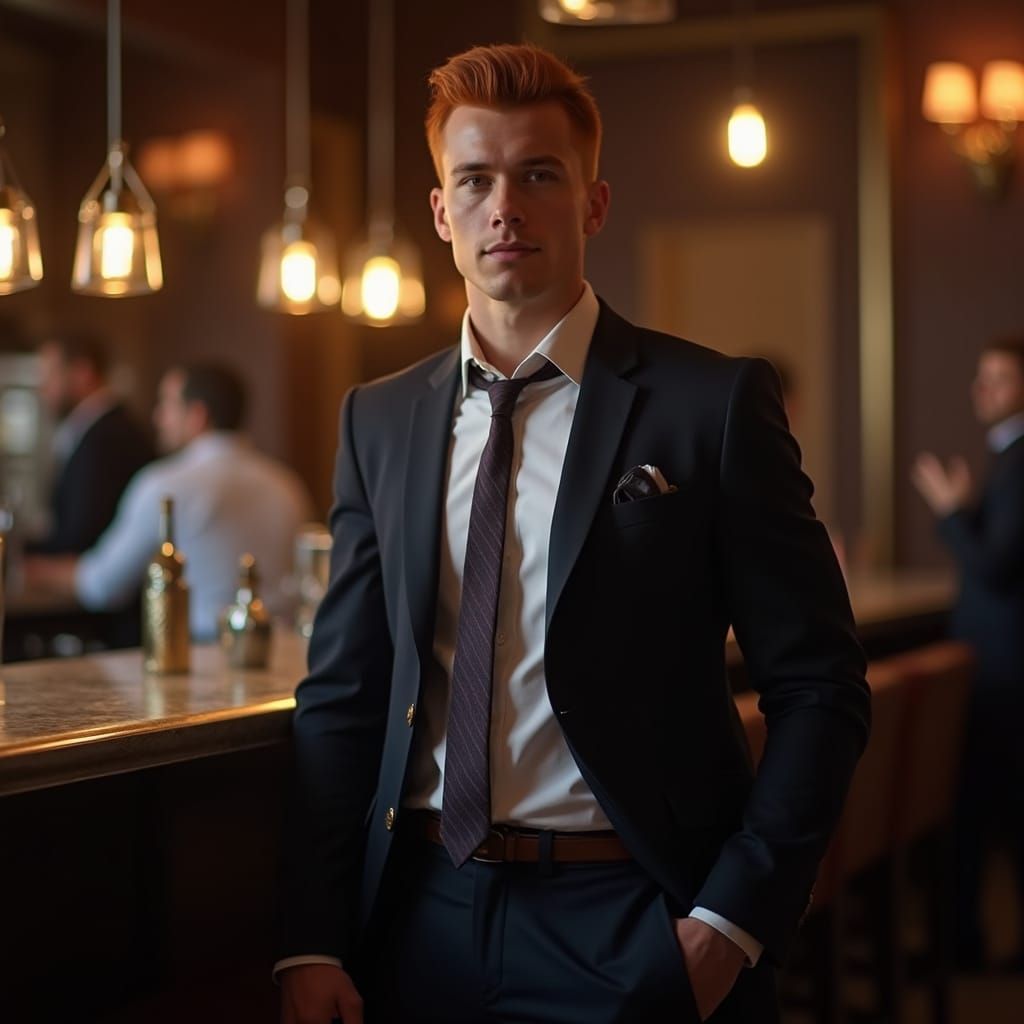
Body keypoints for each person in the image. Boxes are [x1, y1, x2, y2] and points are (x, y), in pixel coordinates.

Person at [278, 43, 870, 1024]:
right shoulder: (376, 420)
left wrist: (727, 923)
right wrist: (310, 931)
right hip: (417, 912)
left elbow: (820, 688)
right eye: (473, 180)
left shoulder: (708, 405)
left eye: (537, 174)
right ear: (441, 214)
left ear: (593, 203)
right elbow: (344, 693)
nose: (503, 206)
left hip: (631, 914)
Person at [25, 362, 312, 641]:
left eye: (167, 404)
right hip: (282, 653)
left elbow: (103, 585)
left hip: (199, 656)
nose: (158, 417)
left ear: (198, 415)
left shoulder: (164, 484)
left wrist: (34, 571)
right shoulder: (287, 484)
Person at [912, 335, 1024, 970]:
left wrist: (952, 512)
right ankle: (965, 943)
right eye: (981, 377)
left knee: (989, 810)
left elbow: (996, 567)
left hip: (1006, 670)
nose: (982, 390)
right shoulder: (1006, 453)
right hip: (997, 666)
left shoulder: (1020, 457)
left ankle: (965, 947)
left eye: (999, 378)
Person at [29, 332, 153, 555]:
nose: (42, 387)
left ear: (82, 373)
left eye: (50, 375)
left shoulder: (109, 437)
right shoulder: (93, 427)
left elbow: (83, 534)